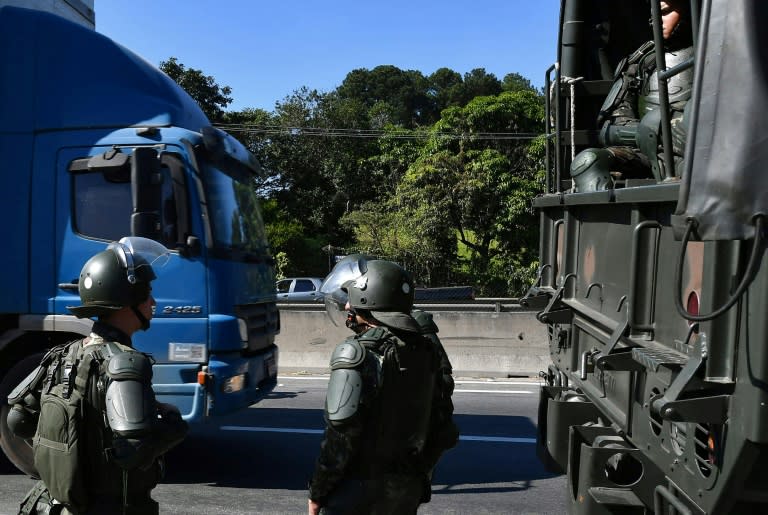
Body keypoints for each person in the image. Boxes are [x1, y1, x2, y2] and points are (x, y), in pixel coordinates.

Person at [8, 237, 188, 514]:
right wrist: (174, 424)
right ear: (127, 300)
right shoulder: (124, 362)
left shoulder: (62, 354)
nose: (153, 302)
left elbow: (17, 420)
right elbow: (132, 450)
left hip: (61, 503)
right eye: (147, 293)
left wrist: (72, 452)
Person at [308, 258, 459, 514]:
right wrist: (418, 477)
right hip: (405, 488)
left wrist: (317, 492)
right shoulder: (426, 349)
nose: (346, 305)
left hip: (359, 492)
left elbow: (340, 438)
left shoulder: (357, 353)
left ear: (369, 300)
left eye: (351, 298)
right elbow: (443, 427)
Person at [570, 0, 694, 191]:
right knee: (587, 162)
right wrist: (654, 131)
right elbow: (609, 128)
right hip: (646, 153)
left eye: (665, 12)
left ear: (688, 11)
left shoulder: (719, 52)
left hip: (699, 150)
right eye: (654, 14)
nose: (656, 20)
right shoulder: (639, 63)